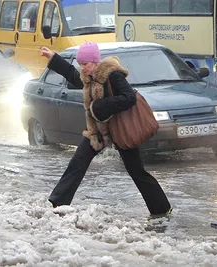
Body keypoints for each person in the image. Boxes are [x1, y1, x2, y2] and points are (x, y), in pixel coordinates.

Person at [40, 42, 172, 216]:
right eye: (80, 64)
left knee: (136, 171)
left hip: (120, 130)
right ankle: (57, 203)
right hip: (98, 133)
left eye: (85, 64)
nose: (83, 68)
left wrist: (102, 105)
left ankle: (162, 209)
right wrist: (54, 59)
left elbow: (129, 98)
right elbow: (73, 77)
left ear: (95, 62)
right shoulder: (88, 77)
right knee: (78, 162)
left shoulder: (113, 75)